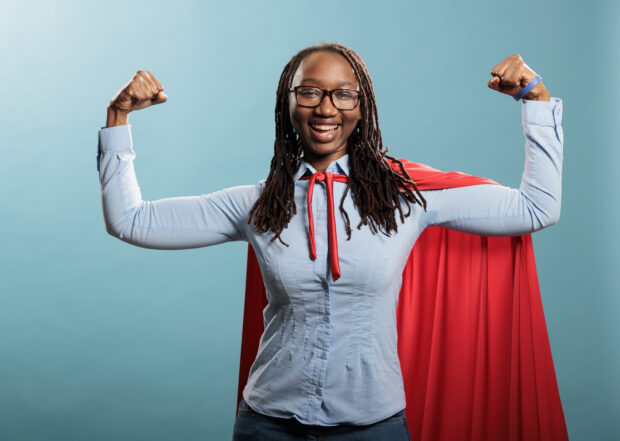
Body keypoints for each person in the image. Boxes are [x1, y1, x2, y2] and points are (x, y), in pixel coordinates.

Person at [96, 42, 562, 441]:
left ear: (362, 106)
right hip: (268, 425)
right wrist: (118, 118)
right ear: (288, 102)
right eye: (310, 92)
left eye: (343, 95)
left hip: (373, 427)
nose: (325, 108)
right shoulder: (257, 203)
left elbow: (535, 209)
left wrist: (536, 101)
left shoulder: (408, 197)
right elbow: (131, 221)